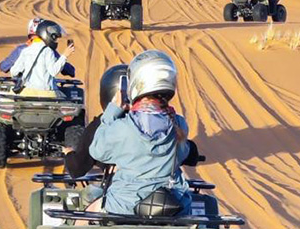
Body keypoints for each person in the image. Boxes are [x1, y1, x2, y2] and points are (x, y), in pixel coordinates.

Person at [88, 50, 191, 215]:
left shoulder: (123, 128)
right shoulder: (179, 124)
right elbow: (183, 153)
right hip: (173, 206)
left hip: (124, 205)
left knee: (86, 215)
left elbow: (97, 151)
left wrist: (112, 111)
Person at [65, 63, 202, 176]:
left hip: (125, 196)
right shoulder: (166, 121)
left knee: (90, 200)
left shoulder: (104, 127)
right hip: (167, 194)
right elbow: (190, 153)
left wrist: (69, 154)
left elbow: (78, 167)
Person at [7, 20, 74, 96]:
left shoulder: (26, 51)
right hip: (47, 93)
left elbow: (14, 72)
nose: (55, 40)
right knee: (69, 100)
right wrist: (65, 55)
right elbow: (54, 71)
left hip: (28, 93)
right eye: (54, 38)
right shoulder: (48, 51)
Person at [0, 17, 75, 77]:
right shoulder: (50, 51)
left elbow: (4, 67)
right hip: (46, 90)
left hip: (23, 91)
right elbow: (69, 70)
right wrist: (65, 56)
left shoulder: (21, 50)